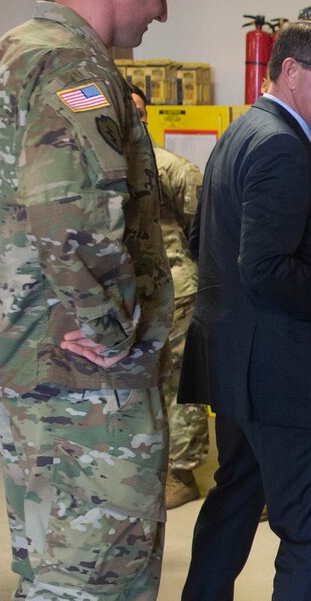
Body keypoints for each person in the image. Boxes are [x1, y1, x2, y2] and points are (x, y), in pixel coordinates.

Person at [0, 0, 178, 599]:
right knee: (103, 573)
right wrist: (111, 333)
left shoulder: (8, 54)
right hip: (82, 377)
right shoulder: (76, 67)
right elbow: (66, 208)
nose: (162, 14)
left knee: (54, 563)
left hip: (28, 356)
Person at [178, 18, 311, 601]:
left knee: (237, 494)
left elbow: (205, 236)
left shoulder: (242, 131)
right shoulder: (282, 147)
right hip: (279, 371)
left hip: (235, 362)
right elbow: (267, 269)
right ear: (291, 70)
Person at [131, 84, 210, 508]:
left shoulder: (173, 169)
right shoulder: (101, 168)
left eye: (141, 112)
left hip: (177, 293)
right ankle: (147, 465)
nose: (136, 120)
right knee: (142, 385)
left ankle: (182, 472)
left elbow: (204, 232)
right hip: (126, 296)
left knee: (180, 384)